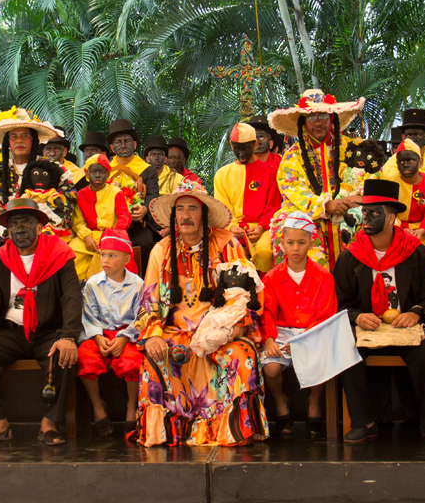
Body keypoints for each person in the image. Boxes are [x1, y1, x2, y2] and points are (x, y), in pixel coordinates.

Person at [135, 181, 267, 446]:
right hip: (175, 333)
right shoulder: (162, 251)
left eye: (192, 209)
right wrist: (153, 336)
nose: (185, 215)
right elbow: (149, 301)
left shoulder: (227, 244)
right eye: (180, 209)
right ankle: (168, 433)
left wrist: (235, 329)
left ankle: (232, 431)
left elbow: (247, 295)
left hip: (220, 333)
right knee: (155, 360)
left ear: (204, 214)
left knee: (242, 356)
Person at [334, 179, 425, 443]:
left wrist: (416, 312)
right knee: (347, 348)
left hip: (404, 328)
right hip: (368, 328)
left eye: (374, 212)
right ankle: (363, 421)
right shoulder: (351, 256)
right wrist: (358, 316)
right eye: (364, 212)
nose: (366, 218)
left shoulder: (416, 253)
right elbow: (340, 303)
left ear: (392, 217)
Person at [0, 199, 82, 447]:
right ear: (8, 231)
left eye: (26, 223)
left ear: (40, 227)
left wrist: (68, 336)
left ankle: (49, 424)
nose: (19, 229)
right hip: (12, 331)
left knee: (66, 357)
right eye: (14, 224)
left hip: (49, 330)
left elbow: (72, 297)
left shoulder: (59, 254)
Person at [268, 90, 364, 269]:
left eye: (323, 116)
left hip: (349, 208)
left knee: (373, 223)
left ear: (332, 117)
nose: (318, 122)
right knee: (285, 226)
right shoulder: (292, 156)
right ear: (303, 123)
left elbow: (370, 174)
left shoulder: (353, 147)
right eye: (311, 118)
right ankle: (308, 291)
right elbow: (292, 188)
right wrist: (324, 206)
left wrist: (350, 200)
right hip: (308, 214)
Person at [260, 211, 336, 438]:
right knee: (271, 369)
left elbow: (325, 314)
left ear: (311, 243)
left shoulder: (324, 277)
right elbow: (267, 312)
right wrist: (270, 338)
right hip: (282, 332)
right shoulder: (272, 277)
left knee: (322, 363)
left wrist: (304, 340)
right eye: (290, 242)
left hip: (312, 332)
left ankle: (314, 401)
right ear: (281, 243)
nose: (295, 248)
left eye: (301, 243)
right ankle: (280, 401)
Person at [0, 109, 75, 252]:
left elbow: (68, 201)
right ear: (7, 142)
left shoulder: (53, 168)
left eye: (25, 136)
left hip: (44, 227)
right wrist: (9, 229)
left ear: (33, 140)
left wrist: (36, 226)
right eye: (14, 136)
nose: (19, 140)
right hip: (8, 230)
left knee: (48, 243)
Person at [78, 229, 144, 436]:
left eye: (112, 255)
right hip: (99, 334)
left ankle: (131, 407)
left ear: (126, 258)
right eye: (103, 255)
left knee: (133, 361)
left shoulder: (137, 285)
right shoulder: (93, 284)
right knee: (85, 359)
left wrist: (124, 337)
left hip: (127, 335)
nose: (105, 260)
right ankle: (98, 406)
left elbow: (140, 316)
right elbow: (89, 314)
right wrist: (98, 337)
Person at [213, 123, 281, 272]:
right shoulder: (222, 174)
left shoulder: (270, 171)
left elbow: (273, 206)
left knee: (265, 253)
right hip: (231, 229)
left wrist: (261, 226)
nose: (242, 153)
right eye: (238, 149)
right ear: (231, 145)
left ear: (255, 144)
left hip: (261, 228)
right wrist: (232, 226)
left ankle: (264, 293)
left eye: (246, 148)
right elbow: (222, 207)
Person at [105, 119, 159, 272]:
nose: (123, 145)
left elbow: (153, 196)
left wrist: (144, 209)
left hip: (137, 225)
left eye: (127, 141)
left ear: (134, 145)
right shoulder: (105, 170)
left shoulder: (148, 170)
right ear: (112, 147)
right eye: (118, 142)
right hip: (110, 223)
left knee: (146, 242)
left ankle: (144, 283)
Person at [69, 154, 132, 280]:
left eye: (102, 172)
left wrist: (113, 234)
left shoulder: (115, 192)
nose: (98, 175)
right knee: (70, 254)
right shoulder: (81, 194)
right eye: (93, 171)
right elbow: (78, 222)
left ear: (108, 175)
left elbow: (124, 217)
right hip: (88, 237)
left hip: (112, 235)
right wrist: (86, 237)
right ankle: (78, 288)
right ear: (87, 175)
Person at [380, 109, 425, 198]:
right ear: (403, 137)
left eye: (417, 135)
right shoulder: (390, 166)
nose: (412, 139)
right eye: (408, 135)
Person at [391, 139, 425, 249]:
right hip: (396, 228)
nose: (405, 165)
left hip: (423, 228)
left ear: (420, 162)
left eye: (410, 161)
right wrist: (401, 229)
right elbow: (388, 213)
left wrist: (421, 231)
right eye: (401, 162)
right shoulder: (391, 182)